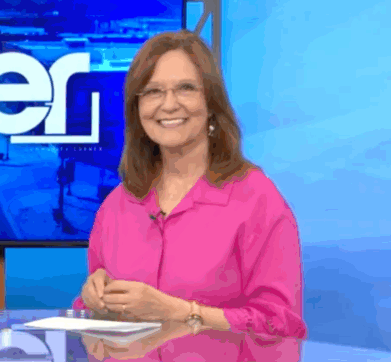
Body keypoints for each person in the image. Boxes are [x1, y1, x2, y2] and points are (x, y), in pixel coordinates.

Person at [74, 30, 306, 340]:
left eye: (185, 88)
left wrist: (181, 313)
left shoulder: (256, 199)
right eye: (153, 91)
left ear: (211, 103)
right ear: (137, 108)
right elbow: (94, 331)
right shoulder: (118, 205)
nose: (168, 105)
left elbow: (281, 324)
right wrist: (94, 300)